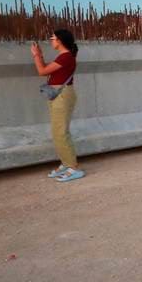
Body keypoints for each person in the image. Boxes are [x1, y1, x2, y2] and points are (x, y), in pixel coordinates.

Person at [30, 29, 84, 182]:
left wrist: (36, 55)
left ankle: (73, 167)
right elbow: (48, 70)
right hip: (58, 94)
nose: (51, 41)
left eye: (52, 38)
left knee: (61, 132)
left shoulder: (66, 57)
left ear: (60, 40)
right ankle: (67, 164)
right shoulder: (63, 56)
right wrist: (40, 56)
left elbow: (42, 71)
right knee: (57, 132)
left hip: (62, 95)